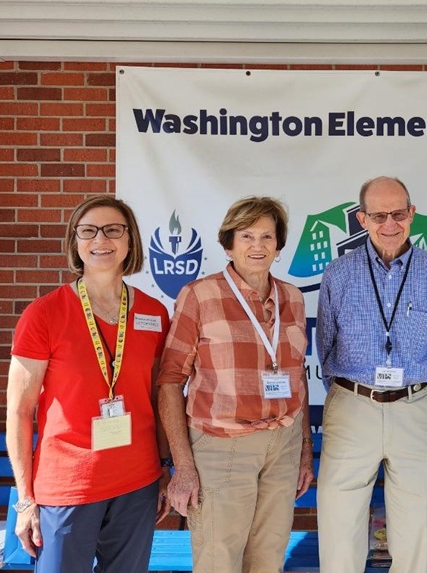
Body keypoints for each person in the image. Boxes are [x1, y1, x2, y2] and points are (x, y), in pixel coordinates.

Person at [6, 195, 172, 573]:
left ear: (130, 242)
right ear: (75, 242)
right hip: (68, 486)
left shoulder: (153, 313)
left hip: (137, 480)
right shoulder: (43, 314)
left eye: (114, 230)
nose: (102, 239)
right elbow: (19, 411)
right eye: (89, 231)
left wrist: (164, 467)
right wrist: (25, 501)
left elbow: (158, 396)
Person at [158, 196, 313, 573]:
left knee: (268, 559)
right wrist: (183, 466)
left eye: (267, 236)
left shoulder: (292, 297)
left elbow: (297, 380)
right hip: (222, 444)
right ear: (229, 244)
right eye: (246, 236)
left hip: (283, 445)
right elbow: (169, 381)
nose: (257, 246)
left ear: (278, 246)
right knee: (218, 560)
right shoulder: (199, 295)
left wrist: (305, 449)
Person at [316, 176, 427, 573]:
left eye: (398, 213)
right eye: (378, 215)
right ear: (362, 219)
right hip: (352, 407)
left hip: (415, 408)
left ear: (411, 215)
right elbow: (325, 345)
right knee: (340, 529)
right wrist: (350, 393)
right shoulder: (338, 273)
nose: (389, 223)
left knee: (418, 532)